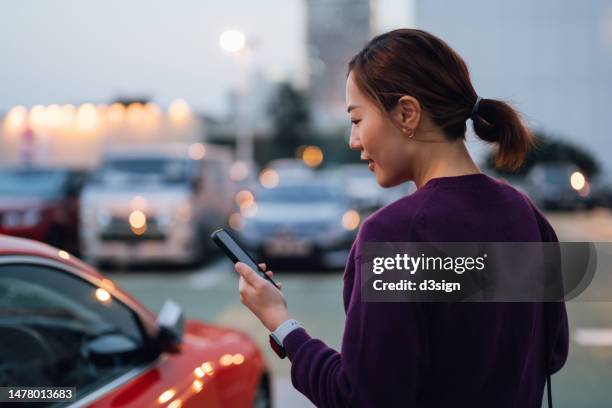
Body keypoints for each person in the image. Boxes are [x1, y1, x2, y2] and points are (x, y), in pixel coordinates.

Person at [234, 28, 569, 407]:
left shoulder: (395, 234)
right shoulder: (528, 217)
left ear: (407, 113)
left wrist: (281, 323)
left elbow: (361, 398)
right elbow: (552, 352)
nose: (353, 140)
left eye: (357, 120)